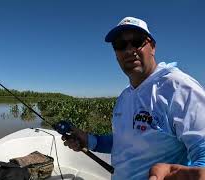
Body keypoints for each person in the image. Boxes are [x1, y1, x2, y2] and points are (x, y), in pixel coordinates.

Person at [62, 17, 205, 180]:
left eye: (137, 41)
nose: (129, 50)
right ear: (116, 54)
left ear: (152, 47)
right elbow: (124, 143)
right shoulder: (125, 96)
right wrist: (90, 140)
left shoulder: (179, 87)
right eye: (120, 45)